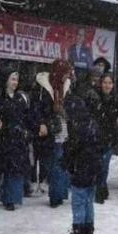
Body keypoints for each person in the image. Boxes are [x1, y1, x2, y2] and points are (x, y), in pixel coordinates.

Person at [61, 72, 102, 234]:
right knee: (88, 200)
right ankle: (88, 229)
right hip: (93, 168)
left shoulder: (77, 127)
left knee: (78, 199)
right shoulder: (93, 124)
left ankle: (78, 229)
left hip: (81, 168)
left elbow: (73, 148)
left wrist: (66, 161)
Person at [34, 60, 73, 208]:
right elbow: (37, 109)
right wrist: (43, 122)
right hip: (51, 131)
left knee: (62, 163)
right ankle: (56, 196)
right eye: (65, 73)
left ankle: (60, 193)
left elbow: (71, 106)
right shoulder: (44, 88)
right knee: (55, 164)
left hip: (64, 130)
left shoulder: (66, 87)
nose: (67, 77)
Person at [0, 70, 33, 211]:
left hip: (18, 137)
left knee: (17, 168)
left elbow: (25, 117)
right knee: (8, 169)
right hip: (5, 138)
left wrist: (26, 131)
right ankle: (8, 198)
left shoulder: (20, 98)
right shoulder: (0, 98)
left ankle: (15, 196)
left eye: (16, 79)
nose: (15, 82)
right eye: (12, 79)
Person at [92, 71, 118, 203]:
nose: (107, 85)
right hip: (96, 136)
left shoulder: (117, 99)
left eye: (110, 83)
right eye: (105, 82)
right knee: (98, 164)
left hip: (110, 137)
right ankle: (99, 188)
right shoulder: (94, 97)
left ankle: (102, 187)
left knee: (104, 165)